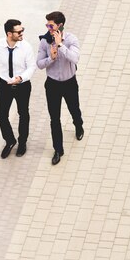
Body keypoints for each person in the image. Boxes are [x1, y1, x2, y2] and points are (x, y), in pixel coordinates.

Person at [0, 19, 36, 158]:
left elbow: (31, 66)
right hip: (4, 85)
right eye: (19, 31)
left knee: (23, 114)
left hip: (22, 85)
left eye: (22, 30)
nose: (22, 33)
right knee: (1, 115)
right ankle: (10, 141)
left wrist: (21, 78)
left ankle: (22, 142)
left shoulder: (26, 47)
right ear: (9, 34)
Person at [37, 11, 84, 165]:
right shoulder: (44, 42)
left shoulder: (71, 40)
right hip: (52, 85)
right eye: (47, 25)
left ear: (60, 26)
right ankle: (58, 149)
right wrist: (51, 57)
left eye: (51, 25)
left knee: (74, 109)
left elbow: (75, 58)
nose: (48, 28)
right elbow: (39, 64)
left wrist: (60, 46)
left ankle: (78, 125)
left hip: (69, 82)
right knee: (54, 118)